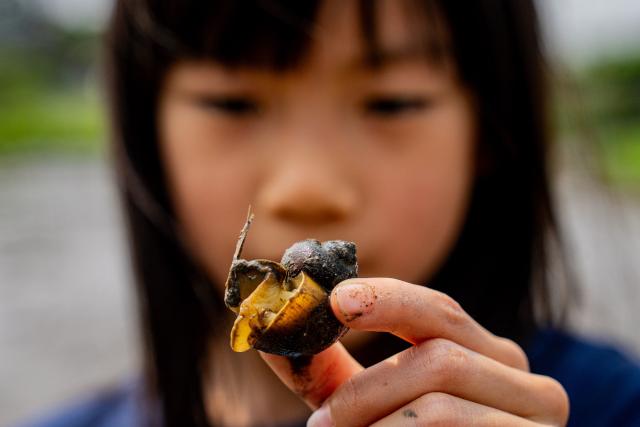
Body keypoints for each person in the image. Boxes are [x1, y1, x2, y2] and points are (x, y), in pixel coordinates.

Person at [20, 0, 640, 426]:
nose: (306, 189)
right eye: (232, 102)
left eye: (393, 103)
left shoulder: (610, 406)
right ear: (148, 131)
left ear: (488, 133)